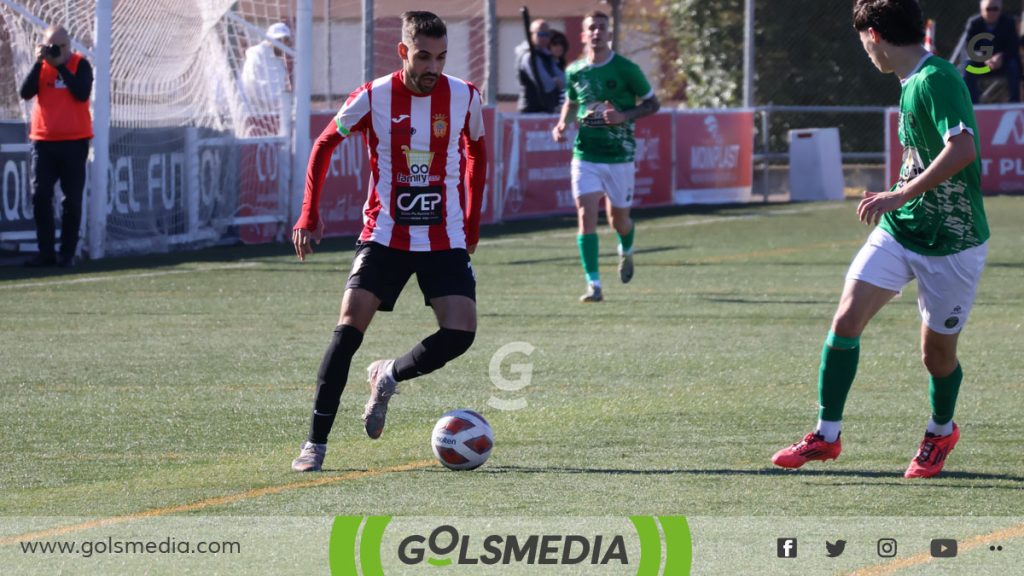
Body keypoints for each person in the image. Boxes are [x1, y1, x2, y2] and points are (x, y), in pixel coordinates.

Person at [772, 0, 989, 479]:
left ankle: (941, 429)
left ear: (873, 34)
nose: (865, 52)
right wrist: (900, 195)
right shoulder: (909, 81)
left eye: (862, 42)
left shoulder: (936, 79)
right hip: (903, 227)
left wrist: (901, 193)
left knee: (936, 357)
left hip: (953, 240)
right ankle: (826, 436)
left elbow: (964, 149)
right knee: (846, 319)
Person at [289, 11, 487, 472]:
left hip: (444, 234)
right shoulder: (374, 95)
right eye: (422, 57)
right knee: (348, 327)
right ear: (404, 52)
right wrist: (308, 213)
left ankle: (389, 374)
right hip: (385, 233)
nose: (432, 67)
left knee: (461, 332)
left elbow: (478, 154)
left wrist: (472, 224)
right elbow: (324, 144)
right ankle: (315, 443)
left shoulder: (464, 96)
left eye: (440, 57)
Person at [551, 10, 659, 303]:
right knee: (586, 216)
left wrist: (624, 115)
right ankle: (593, 284)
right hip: (585, 155)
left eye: (602, 28)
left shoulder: (626, 69)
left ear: (609, 34)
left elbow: (652, 103)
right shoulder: (575, 71)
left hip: (620, 156)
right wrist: (562, 123)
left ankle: (626, 248)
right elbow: (572, 103)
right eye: (591, 28)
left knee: (618, 221)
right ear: (583, 35)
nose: (597, 33)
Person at [19, 24, 92, 268]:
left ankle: (67, 252)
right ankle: (46, 252)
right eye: (51, 46)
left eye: (60, 47)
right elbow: (25, 93)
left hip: (74, 142)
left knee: (71, 200)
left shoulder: (80, 64)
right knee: (40, 195)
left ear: (68, 46)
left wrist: (60, 65)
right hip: (44, 141)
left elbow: (81, 93)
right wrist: (39, 62)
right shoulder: (42, 68)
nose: (55, 51)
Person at [961, 0, 1021, 103]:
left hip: (1002, 65)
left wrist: (1001, 57)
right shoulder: (974, 23)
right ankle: (971, 104)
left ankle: (1014, 103)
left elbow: (1013, 47)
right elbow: (969, 48)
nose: (992, 12)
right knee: (968, 67)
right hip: (981, 67)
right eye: (988, 9)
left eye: (995, 9)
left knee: (1014, 65)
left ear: (1000, 10)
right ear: (982, 10)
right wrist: (984, 58)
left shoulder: (1009, 23)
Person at [241, 22, 292, 121]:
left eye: (286, 40)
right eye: (279, 40)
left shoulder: (279, 61)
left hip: (277, 114)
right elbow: (251, 85)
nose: (283, 43)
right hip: (257, 115)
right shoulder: (256, 55)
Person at [515, 19, 564, 113]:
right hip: (531, 110)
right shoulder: (528, 56)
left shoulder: (546, 55)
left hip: (546, 108)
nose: (545, 38)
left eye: (547, 35)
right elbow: (546, 84)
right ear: (531, 35)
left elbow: (563, 79)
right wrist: (555, 81)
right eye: (541, 34)